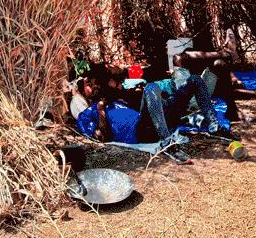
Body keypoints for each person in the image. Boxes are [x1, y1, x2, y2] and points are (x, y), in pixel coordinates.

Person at [74, 63, 224, 163]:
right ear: (82, 90)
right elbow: (102, 137)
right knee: (151, 88)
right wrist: (101, 111)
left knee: (195, 80)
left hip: (160, 121)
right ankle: (167, 144)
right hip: (141, 131)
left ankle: (214, 127)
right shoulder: (87, 114)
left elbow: (142, 102)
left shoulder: (115, 99)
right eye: (89, 85)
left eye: (95, 83)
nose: (94, 87)